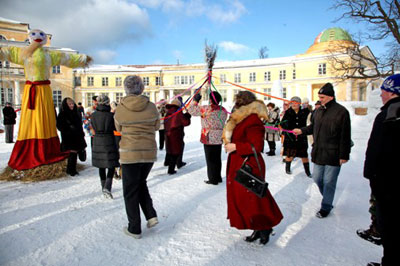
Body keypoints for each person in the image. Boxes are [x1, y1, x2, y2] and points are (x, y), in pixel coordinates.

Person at [223, 91, 283, 245]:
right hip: (240, 162)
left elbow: (257, 146)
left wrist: (235, 146)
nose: (236, 105)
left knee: (255, 198)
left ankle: (265, 227)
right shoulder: (241, 118)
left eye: (238, 102)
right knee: (249, 199)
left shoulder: (253, 120)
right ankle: (257, 227)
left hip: (249, 164)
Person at [293, 83, 351, 218]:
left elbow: (345, 135)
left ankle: (326, 206)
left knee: (329, 181)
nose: (320, 99)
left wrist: (344, 155)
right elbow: (312, 127)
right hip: (318, 151)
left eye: (322, 97)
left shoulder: (341, 112)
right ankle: (328, 197)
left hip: (334, 153)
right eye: (319, 97)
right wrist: (301, 130)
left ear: (331, 97)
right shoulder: (317, 111)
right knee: (318, 178)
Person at [114, 75, 160, 239]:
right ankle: (150, 215)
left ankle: (134, 228)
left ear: (126, 88)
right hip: (148, 152)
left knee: (130, 191)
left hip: (130, 153)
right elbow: (157, 126)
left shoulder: (121, 108)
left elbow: (118, 127)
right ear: (142, 88)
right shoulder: (152, 106)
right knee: (140, 183)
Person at [363, 74, 400, 266]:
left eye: (384, 92)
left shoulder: (389, 115)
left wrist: (371, 175)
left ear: (393, 93)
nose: (382, 95)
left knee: (391, 228)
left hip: (388, 184)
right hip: (389, 181)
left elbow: (378, 149)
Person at [187, 91, 228, 185]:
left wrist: (195, 101)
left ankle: (213, 179)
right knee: (217, 158)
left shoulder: (206, 109)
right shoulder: (224, 110)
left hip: (208, 136)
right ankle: (218, 177)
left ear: (210, 99)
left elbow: (191, 110)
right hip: (219, 136)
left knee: (210, 159)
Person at [91, 95, 119, 199]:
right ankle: (108, 186)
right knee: (111, 165)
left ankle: (103, 186)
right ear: (107, 103)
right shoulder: (111, 116)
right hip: (109, 140)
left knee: (101, 165)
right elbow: (115, 128)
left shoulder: (93, 115)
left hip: (97, 140)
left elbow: (93, 127)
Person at [281, 96, 311, 177]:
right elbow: (282, 123)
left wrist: (308, 107)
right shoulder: (288, 112)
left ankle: (307, 171)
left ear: (299, 104)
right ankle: (287, 168)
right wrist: (287, 126)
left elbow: (312, 116)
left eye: (296, 102)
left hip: (301, 137)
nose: (293, 104)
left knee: (304, 155)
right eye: (292, 103)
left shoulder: (305, 111)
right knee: (289, 154)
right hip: (290, 137)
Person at [56, 97, 87, 176]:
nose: (71, 105)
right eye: (69, 104)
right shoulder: (62, 114)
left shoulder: (76, 113)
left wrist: (81, 133)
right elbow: (59, 126)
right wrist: (68, 129)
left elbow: (79, 125)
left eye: (72, 104)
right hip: (69, 137)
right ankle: (71, 170)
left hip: (77, 136)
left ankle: (72, 169)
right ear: (66, 105)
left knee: (76, 153)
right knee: (72, 153)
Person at [164, 98, 191, 174]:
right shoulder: (177, 112)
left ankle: (168, 163)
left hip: (168, 133)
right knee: (175, 152)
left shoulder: (169, 112)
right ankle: (171, 169)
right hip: (175, 134)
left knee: (170, 150)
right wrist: (188, 116)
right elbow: (185, 122)